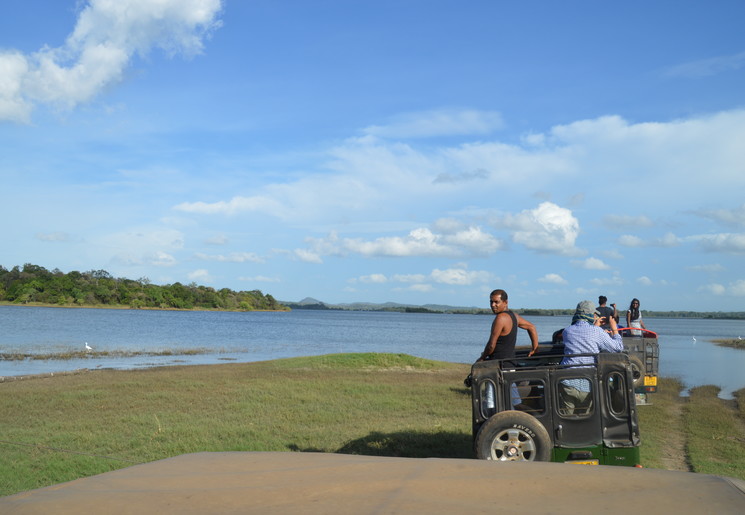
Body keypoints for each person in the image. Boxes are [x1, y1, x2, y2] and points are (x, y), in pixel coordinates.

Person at [559, 300, 623, 414]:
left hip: (567, 383)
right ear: (591, 315)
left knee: (565, 419)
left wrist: (595, 326)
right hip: (588, 385)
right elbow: (618, 347)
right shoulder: (597, 332)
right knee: (585, 420)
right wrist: (614, 328)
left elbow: (582, 336)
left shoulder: (567, 331)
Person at [476, 289, 539, 362]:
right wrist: (535, 348)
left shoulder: (500, 318)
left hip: (499, 365)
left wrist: (482, 358)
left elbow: (491, 346)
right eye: (491, 302)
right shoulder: (514, 316)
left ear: (505, 302)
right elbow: (531, 327)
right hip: (510, 363)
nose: (493, 305)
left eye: (496, 302)